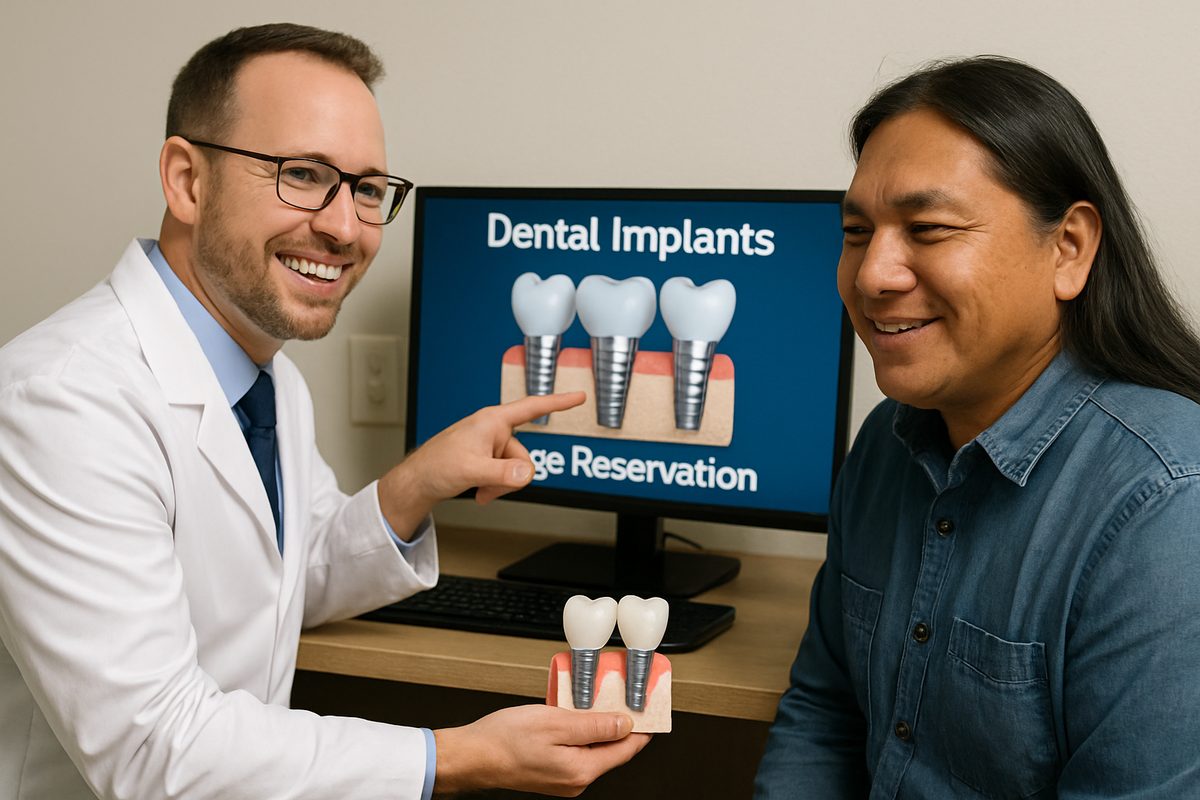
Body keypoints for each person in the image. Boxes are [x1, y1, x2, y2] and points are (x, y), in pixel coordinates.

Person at [0, 23, 648, 800]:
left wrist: (415, 483)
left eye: (367, 189)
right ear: (187, 181)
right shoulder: (62, 403)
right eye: (302, 174)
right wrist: (455, 757)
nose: (343, 228)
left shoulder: (263, 375)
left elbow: (283, 581)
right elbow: (154, 750)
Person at [755, 55, 1200, 798]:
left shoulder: (1167, 507)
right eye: (856, 232)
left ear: (1068, 249)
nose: (871, 275)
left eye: (928, 229)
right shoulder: (886, 442)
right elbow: (825, 714)